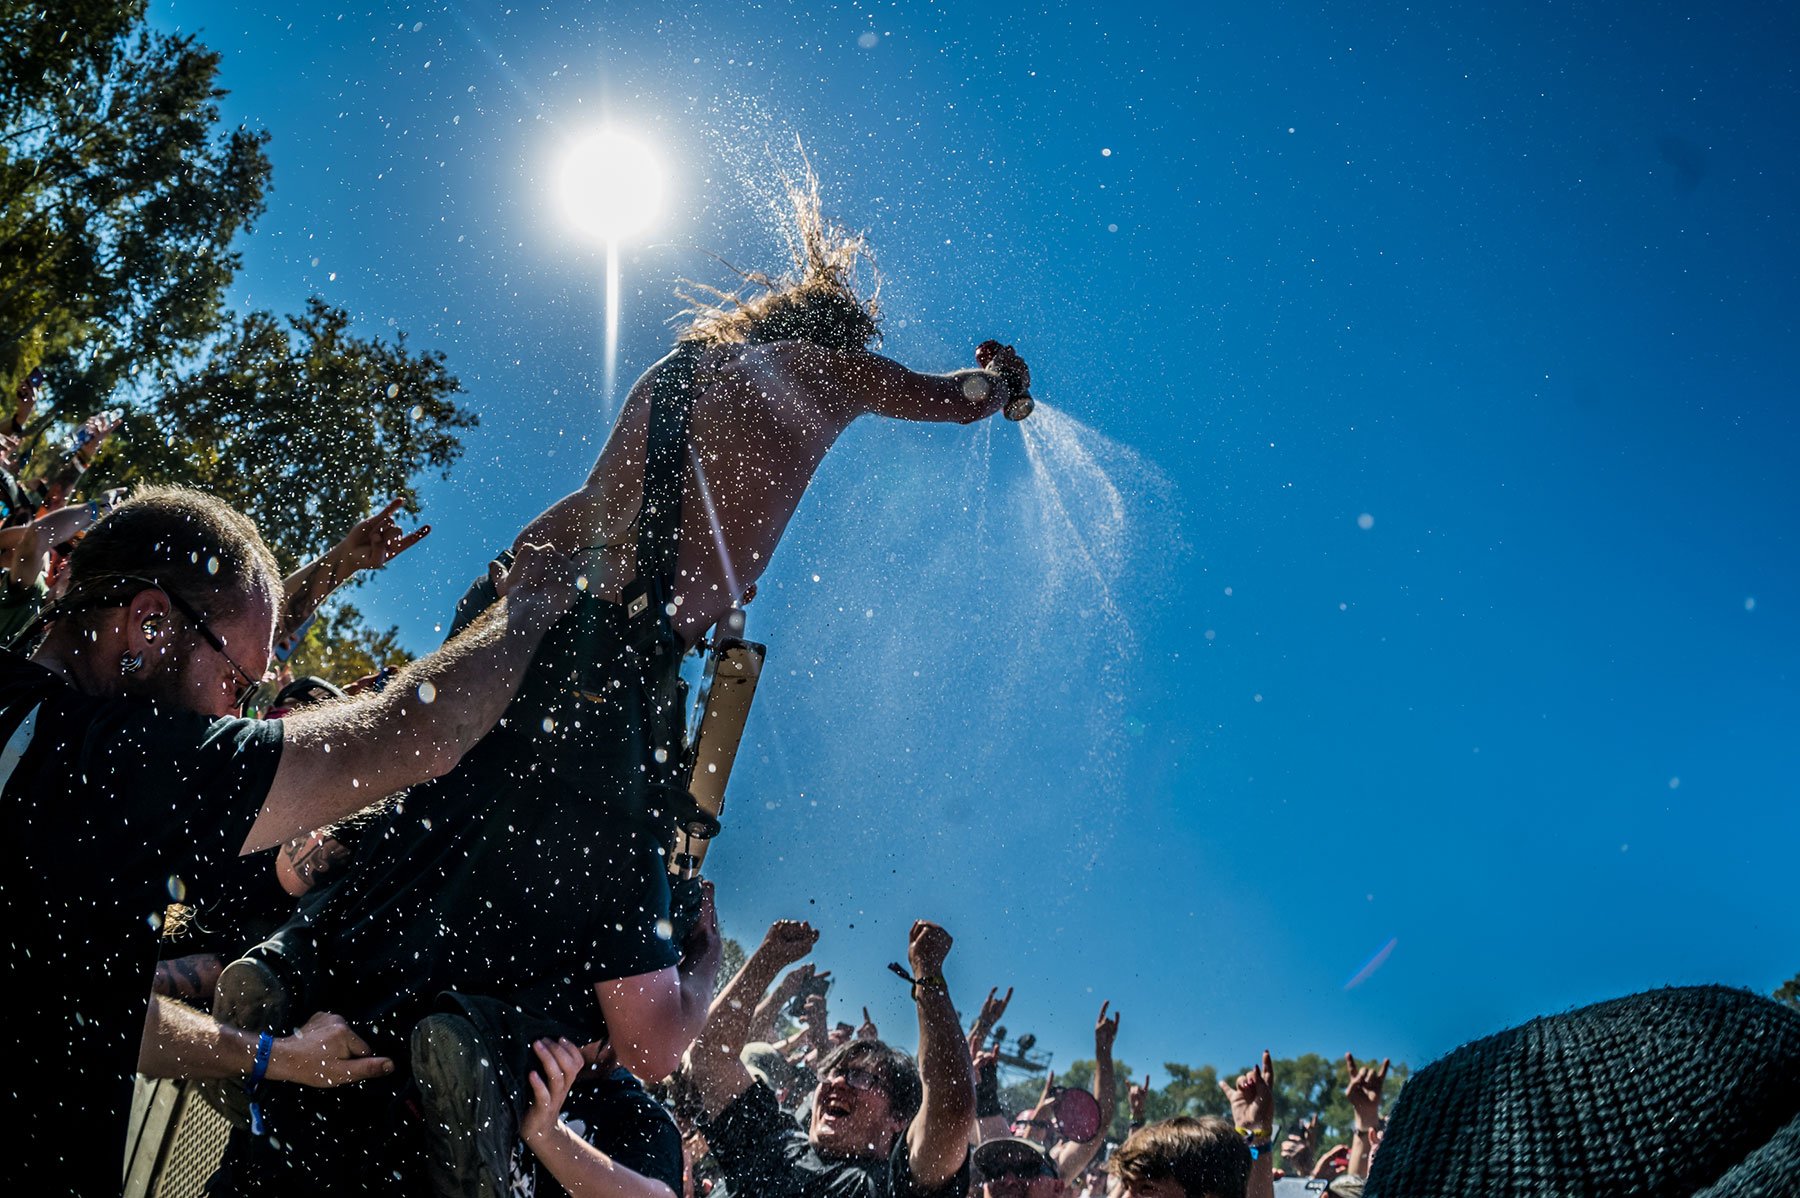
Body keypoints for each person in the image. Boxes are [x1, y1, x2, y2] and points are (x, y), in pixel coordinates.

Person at [211, 168, 1029, 1192]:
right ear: (837, 333)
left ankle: (288, 970)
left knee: (436, 861)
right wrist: (997, 383)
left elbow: (548, 531)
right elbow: (946, 400)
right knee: (614, 963)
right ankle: (484, 1060)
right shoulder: (828, 373)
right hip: (621, 676)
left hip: (531, 643)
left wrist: (490, 630)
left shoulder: (674, 376)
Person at [0, 485, 577, 1194]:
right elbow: (415, 736)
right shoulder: (110, 766)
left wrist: (272, 1054)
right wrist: (533, 605)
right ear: (146, 624)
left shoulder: (36, 726)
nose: (234, 712)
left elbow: (103, 1008)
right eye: (237, 686)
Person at [688, 917, 976, 1198]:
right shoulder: (775, 1143)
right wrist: (767, 959)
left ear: (898, 1118)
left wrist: (929, 975)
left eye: (860, 1077)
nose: (836, 1082)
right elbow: (712, 1054)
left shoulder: (888, 1185)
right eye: (830, 1073)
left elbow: (952, 1105)